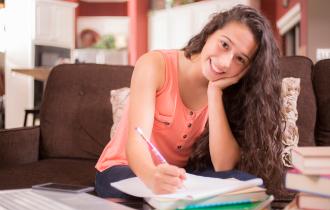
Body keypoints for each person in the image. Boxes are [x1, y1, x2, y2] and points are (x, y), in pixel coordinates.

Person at [95, 4, 284, 198]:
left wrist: (215, 93)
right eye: (224, 44)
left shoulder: (229, 91)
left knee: (245, 184)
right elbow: (136, 143)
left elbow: (223, 165)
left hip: (178, 178)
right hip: (124, 169)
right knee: (155, 189)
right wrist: (152, 176)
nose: (225, 62)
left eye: (240, 59)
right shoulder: (155, 64)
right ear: (210, 32)